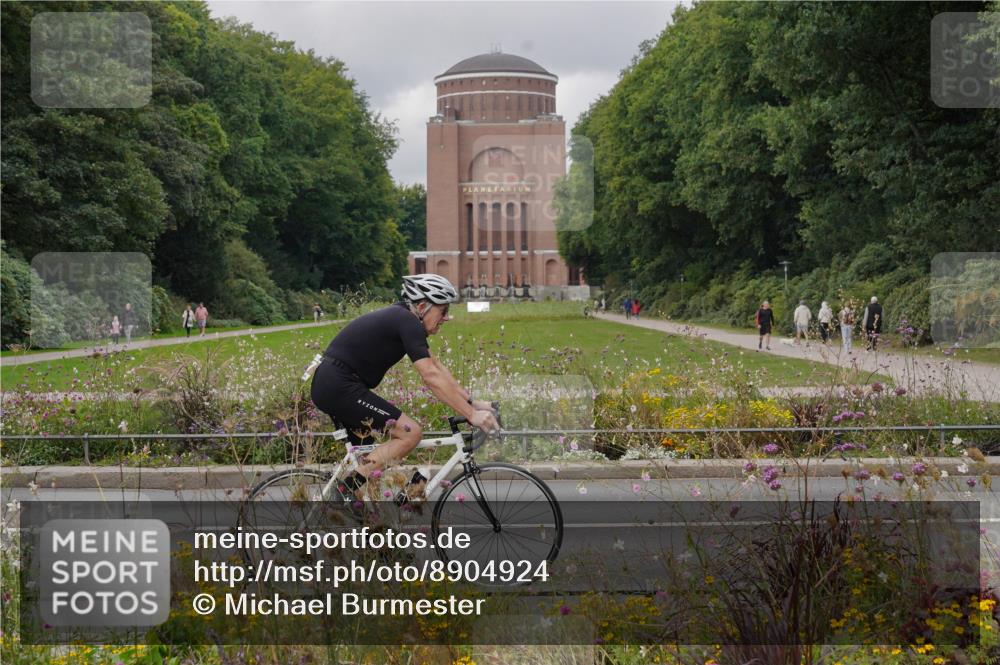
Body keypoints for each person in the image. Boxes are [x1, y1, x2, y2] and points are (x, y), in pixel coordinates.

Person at [309, 274, 500, 510]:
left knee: (370, 474)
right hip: (338, 384)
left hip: (336, 383)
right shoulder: (406, 320)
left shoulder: (403, 319)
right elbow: (430, 376)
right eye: (443, 310)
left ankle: (370, 533)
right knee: (410, 433)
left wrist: (472, 401)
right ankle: (345, 489)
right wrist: (471, 415)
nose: (446, 318)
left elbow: (436, 367)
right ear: (422, 306)